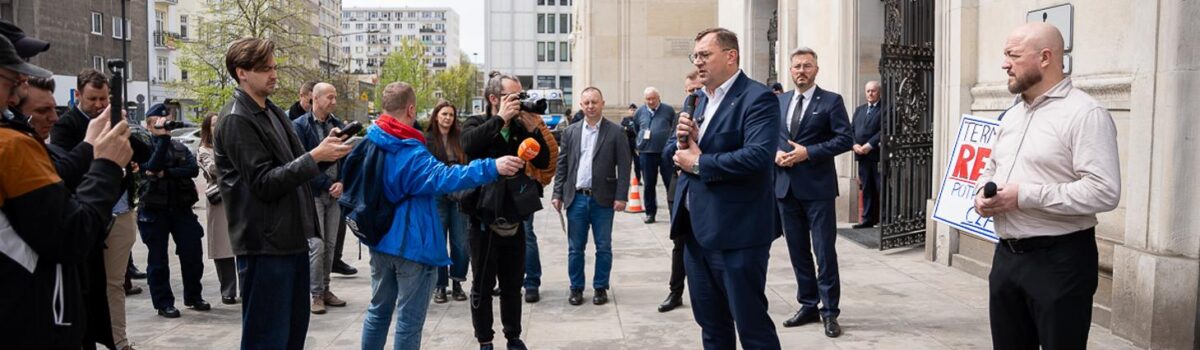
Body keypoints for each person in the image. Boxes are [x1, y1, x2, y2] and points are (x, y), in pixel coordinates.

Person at [975, 23, 1121, 350]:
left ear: (1045, 57)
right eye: (1005, 55)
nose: (1004, 64)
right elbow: (991, 169)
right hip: (1006, 259)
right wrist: (981, 196)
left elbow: (1104, 190)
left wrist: (1024, 196)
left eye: (1013, 55)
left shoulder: (1085, 113)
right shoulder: (1011, 116)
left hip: (1061, 261)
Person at [359, 82, 524, 350]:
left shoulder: (370, 140)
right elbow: (445, 177)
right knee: (409, 321)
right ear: (411, 109)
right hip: (411, 245)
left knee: (378, 312)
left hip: (379, 240)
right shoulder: (409, 150)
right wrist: (492, 166)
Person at [213, 37, 352, 349]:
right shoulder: (237, 118)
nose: (274, 74)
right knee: (267, 337)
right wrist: (316, 156)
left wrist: (323, 147)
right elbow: (263, 182)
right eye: (265, 69)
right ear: (241, 72)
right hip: (264, 245)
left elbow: (295, 160)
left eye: (274, 67)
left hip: (290, 239)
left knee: (290, 335)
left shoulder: (271, 110)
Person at [0, 33, 134, 348]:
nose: (21, 82)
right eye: (12, 76)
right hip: (30, 319)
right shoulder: (11, 145)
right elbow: (70, 234)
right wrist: (106, 167)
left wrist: (90, 148)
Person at [665, 27, 781, 349]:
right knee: (712, 327)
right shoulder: (700, 99)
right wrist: (688, 144)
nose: (698, 62)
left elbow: (757, 157)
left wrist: (699, 162)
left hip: (738, 235)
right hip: (696, 233)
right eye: (696, 56)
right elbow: (695, 152)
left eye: (705, 55)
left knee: (752, 327)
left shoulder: (758, 98)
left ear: (731, 56)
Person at [50, 68, 150, 349]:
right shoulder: (65, 125)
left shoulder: (113, 119)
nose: (98, 105)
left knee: (115, 283)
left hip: (119, 211)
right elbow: (67, 170)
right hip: (85, 212)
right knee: (84, 282)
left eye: (103, 99)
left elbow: (143, 153)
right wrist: (100, 155)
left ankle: (118, 340)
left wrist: (124, 130)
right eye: (93, 99)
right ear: (78, 95)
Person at [460, 71, 551, 350]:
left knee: (513, 285)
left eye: (521, 96)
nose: (519, 101)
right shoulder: (477, 122)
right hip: (483, 218)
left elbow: (545, 160)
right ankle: (485, 340)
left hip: (514, 215)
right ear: (493, 98)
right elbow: (467, 146)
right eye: (514, 97)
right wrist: (501, 118)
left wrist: (535, 127)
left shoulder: (521, 127)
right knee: (483, 285)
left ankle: (513, 336)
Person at [774, 47, 853, 337]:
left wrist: (809, 153)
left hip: (818, 189)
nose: (801, 71)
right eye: (796, 66)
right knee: (798, 251)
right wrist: (775, 154)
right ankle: (808, 304)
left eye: (807, 66)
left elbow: (846, 138)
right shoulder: (780, 101)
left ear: (816, 70)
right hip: (786, 188)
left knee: (823, 251)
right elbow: (770, 136)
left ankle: (830, 312)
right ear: (791, 70)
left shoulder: (831, 101)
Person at [551, 86, 632, 306]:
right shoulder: (571, 132)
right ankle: (576, 287)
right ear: (580, 105)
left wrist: (621, 196)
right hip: (575, 199)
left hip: (603, 200)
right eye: (586, 102)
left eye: (594, 102)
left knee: (603, 247)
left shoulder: (615, 132)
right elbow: (563, 165)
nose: (590, 106)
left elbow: (625, 167)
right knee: (575, 248)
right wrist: (557, 193)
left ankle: (600, 287)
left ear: (602, 103)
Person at [136, 103, 210, 318]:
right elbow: (151, 167)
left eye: (166, 121)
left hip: (180, 209)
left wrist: (165, 174)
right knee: (158, 260)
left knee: (192, 253)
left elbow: (192, 169)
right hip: (154, 210)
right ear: (149, 126)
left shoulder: (179, 147)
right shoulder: (143, 146)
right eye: (159, 123)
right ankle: (163, 303)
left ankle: (193, 296)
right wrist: (161, 140)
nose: (165, 126)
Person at [291, 82, 349, 315]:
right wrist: (327, 184)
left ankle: (325, 289)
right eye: (330, 97)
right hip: (313, 194)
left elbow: (346, 158)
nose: (334, 102)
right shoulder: (299, 126)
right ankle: (315, 294)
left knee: (331, 245)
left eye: (335, 97)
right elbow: (301, 162)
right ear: (315, 99)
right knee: (317, 245)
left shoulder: (338, 125)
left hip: (335, 195)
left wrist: (342, 182)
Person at [659, 70, 703, 313]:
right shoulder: (681, 118)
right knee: (680, 244)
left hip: (708, 190)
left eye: (696, 90)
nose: (693, 95)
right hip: (680, 189)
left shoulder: (715, 113)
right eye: (689, 92)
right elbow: (667, 152)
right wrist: (679, 145)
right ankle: (675, 292)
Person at [423, 101, 471, 304]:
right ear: (436, 116)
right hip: (437, 194)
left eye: (451, 115)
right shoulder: (427, 139)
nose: (447, 118)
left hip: (458, 193)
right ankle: (440, 286)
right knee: (438, 241)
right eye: (444, 114)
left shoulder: (460, 137)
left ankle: (457, 282)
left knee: (461, 242)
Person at [198, 112, 238, 305]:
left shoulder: (233, 144)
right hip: (219, 200)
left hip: (238, 198)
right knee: (223, 247)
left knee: (242, 245)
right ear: (207, 129)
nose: (217, 127)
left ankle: (247, 288)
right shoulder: (204, 150)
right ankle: (228, 290)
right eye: (214, 124)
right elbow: (213, 169)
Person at [519, 104, 558, 304]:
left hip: (525, 188)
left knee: (526, 233)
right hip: (501, 188)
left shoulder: (537, 125)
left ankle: (531, 282)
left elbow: (552, 155)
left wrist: (539, 179)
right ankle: (511, 280)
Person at [633, 87, 676, 224]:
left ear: (659, 98)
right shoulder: (639, 111)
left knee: (670, 183)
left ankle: (674, 213)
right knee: (649, 185)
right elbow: (636, 128)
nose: (651, 101)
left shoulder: (668, 110)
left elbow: (674, 127)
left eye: (653, 98)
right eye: (648, 99)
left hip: (665, 153)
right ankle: (650, 212)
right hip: (647, 153)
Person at [851, 81, 883, 229]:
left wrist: (869, 145)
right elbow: (850, 130)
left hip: (877, 156)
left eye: (873, 91)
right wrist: (854, 144)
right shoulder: (859, 110)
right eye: (868, 91)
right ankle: (867, 219)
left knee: (880, 187)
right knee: (867, 188)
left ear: (879, 92)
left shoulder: (886, 109)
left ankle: (884, 220)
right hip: (862, 156)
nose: (870, 93)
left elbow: (885, 129)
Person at [619, 103, 641, 178]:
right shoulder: (625, 119)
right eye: (631, 110)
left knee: (637, 163)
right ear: (628, 111)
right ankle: (626, 179)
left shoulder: (638, 120)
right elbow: (622, 130)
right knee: (627, 163)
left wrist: (628, 129)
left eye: (634, 110)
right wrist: (629, 129)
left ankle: (638, 179)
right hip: (627, 144)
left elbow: (638, 131)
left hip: (636, 145)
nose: (633, 112)